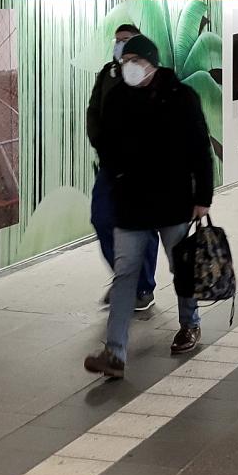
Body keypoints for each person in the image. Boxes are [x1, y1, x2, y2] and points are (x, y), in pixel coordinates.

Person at [85, 35, 213, 378]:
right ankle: (114, 353)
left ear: (151, 64)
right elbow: (106, 145)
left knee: (180, 266)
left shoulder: (181, 97)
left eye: (135, 61)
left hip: (173, 201)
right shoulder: (117, 99)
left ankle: (190, 323)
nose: (128, 67)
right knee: (125, 274)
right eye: (125, 61)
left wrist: (203, 197)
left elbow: (200, 149)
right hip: (131, 203)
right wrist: (117, 177)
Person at [87, 24, 158, 310]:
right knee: (102, 219)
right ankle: (124, 278)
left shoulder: (155, 79)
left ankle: (143, 287)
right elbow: (94, 113)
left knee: (143, 227)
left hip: (144, 169)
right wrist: (102, 145)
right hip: (110, 165)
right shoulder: (108, 74)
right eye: (117, 42)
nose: (120, 47)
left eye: (126, 41)